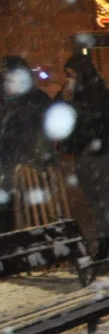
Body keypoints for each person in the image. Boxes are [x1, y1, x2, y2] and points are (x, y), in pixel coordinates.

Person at [58, 53, 109, 260]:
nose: (69, 78)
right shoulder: (71, 97)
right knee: (95, 201)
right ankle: (106, 241)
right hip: (85, 157)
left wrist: (100, 139)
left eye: (72, 74)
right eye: (67, 74)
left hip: (102, 157)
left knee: (105, 201)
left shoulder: (102, 96)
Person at [0, 56, 54, 231]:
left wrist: (38, 159)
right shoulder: (5, 99)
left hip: (29, 170)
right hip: (8, 169)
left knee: (35, 217)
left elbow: (48, 131)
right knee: (9, 217)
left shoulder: (36, 99)